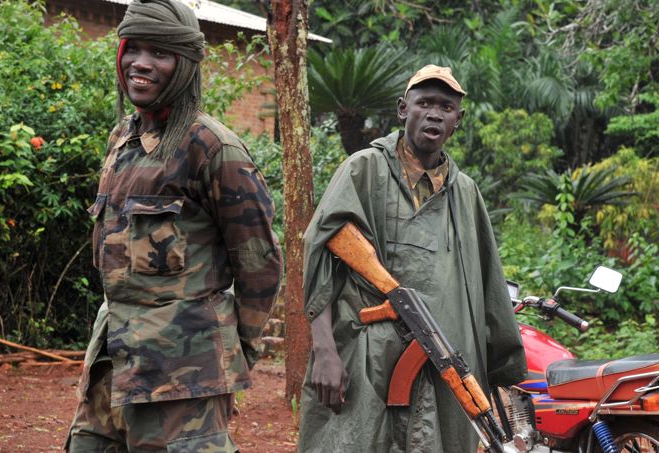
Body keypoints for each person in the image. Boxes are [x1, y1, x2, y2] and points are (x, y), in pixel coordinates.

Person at [65, 1, 282, 451]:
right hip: (111, 364)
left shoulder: (213, 148)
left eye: (160, 53)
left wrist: (230, 354)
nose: (140, 64)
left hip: (183, 384)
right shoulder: (122, 140)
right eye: (134, 49)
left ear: (184, 65)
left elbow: (259, 262)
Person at [297, 65, 528, 452]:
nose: (434, 113)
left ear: (458, 120)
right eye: (424, 103)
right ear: (404, 109)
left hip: (444, 366)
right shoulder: (363, 170)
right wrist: (324, 352)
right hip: (365, 360)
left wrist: (503, 372)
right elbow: (320, 252)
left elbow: (490, 288)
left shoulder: (466, 194)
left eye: (446, 106)